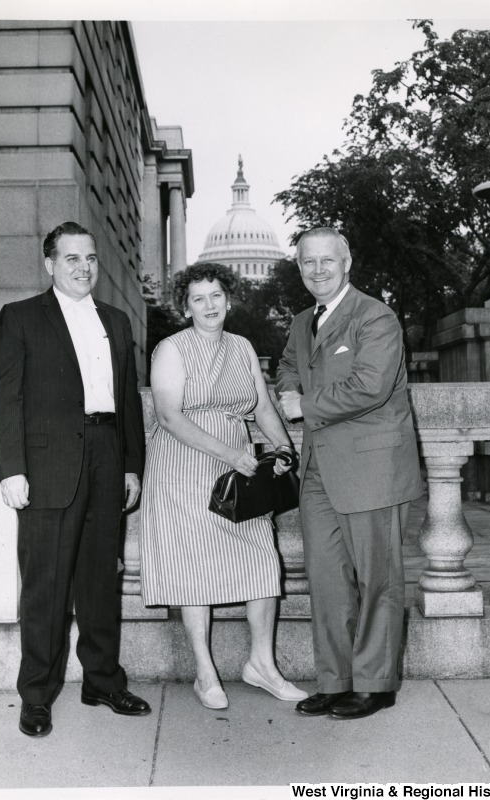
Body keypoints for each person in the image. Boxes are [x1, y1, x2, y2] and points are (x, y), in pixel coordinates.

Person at [0, 221, 150, 737]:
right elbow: (4, 398)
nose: (84, 267)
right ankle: (36, 694)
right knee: (46, 586)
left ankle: (102, 680)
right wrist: (11, 469)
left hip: (106, 455)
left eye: (91, 258)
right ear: (50, 264)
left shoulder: (118, 322)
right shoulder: (20, 318)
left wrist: (131, 465)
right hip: (48, 465)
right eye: (72, 258)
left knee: (102, 578)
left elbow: (128, 401)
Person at [140, 263, 308, 710]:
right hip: (184, 467)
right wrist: (234, 455)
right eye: (198, 298)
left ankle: (262, 666)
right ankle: (205, 673)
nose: (209, 305)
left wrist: (282, 447)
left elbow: (264, 406)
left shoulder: (243, 347)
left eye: (216, 296)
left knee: (261, 561)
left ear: (228, 299)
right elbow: (169, 416)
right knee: (194, 569)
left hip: (239, 472)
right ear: (185, 306)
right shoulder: (171, 350)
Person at [276, 227, 422, 720]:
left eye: (327, 261)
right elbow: (288, 367)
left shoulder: (376, 317)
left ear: (347, 262)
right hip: (318, 469)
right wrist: (288, 392)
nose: (317, 270)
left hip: (371, 466)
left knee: (378, 578)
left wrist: (303, 405)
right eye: (307, 263)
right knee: (327, 578)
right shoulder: (301, 321)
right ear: (299, 268)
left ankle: (376, 684)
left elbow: (371, 386)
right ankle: (336, 681)